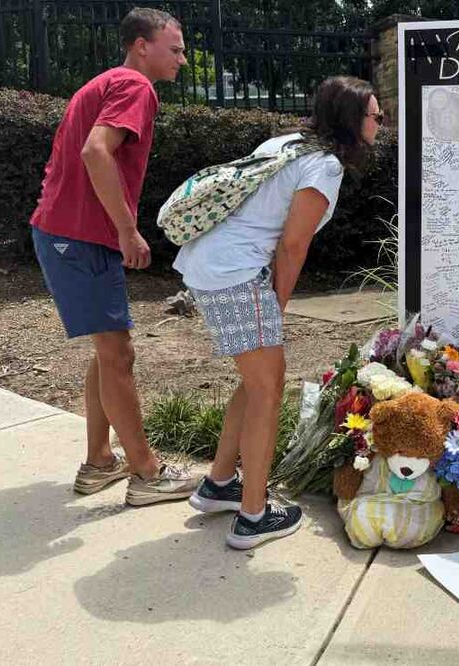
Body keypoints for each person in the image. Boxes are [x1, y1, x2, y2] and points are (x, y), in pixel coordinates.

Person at [173, 76, 383, 549]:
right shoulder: (325, 165)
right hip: (237, 272)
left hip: (213, 263)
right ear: (352, 120)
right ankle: (252, 516)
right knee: (269, 387)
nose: (379, 123)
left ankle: (220, 484)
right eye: (375, 115)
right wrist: (277, 305)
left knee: (256, 381)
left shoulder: (287, 142)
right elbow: (293, 244)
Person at [30, 8, 201, 505]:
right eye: (176, 49)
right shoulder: (135, 86)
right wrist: (128, 230)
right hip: (80, 236)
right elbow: (95, 151)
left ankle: (100, 462)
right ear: (142, 45)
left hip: (69, 233)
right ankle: (147, 475)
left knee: (108, 352)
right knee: (119, 353)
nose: (184, 60)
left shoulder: (108, 81)